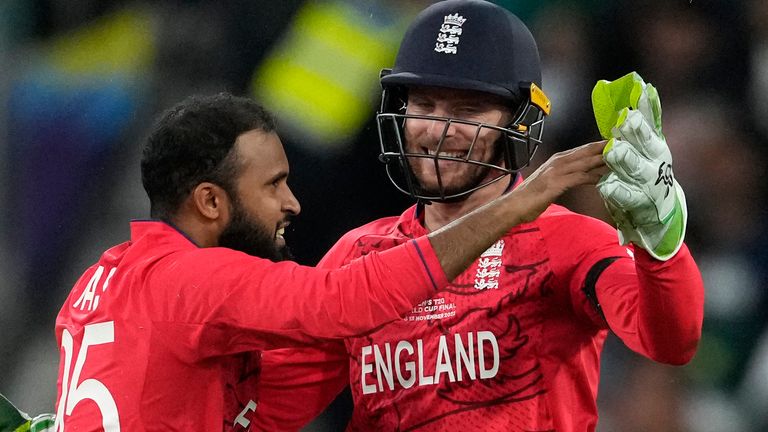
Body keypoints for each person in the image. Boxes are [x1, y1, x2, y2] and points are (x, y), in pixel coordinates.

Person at [252, 1, 704, 431]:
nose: (436, 130)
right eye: (423, 105)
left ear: (521, 121)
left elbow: (669, 340)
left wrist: (660, 247)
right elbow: (265, 409)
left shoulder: (567, 241)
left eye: (466, 110)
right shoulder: (357, 253)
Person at [51, 92, 607, 431]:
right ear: (211, 201)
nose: (292, 203)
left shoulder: (98, 282)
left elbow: (262, 404)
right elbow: (343, 304)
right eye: (273, 186)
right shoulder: (192, 282)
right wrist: (525, 199)